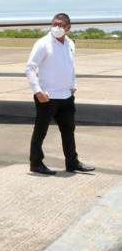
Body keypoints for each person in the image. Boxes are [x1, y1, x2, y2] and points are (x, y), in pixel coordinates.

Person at [25, 13, 95, 175]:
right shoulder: (43, 43)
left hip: (66, 96)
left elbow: (70, 66)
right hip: (47, 96)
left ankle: (72, 162)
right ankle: (36, 163)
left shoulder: (70, 43)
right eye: (54, 24)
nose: (57, 27)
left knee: (69, 130)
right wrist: (37, 91)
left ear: (68, 28)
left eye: (61, 25)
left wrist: (72, 85)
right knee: (41, 131)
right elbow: (30, 68)